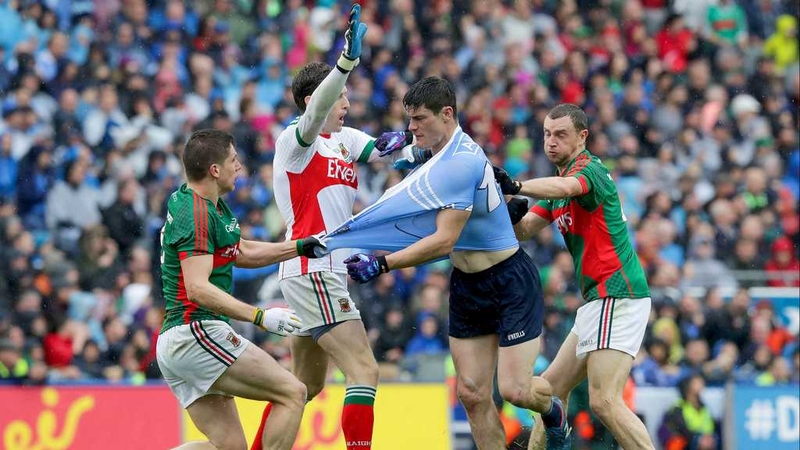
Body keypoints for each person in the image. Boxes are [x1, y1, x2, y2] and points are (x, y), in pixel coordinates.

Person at [343, 76, 570, 450]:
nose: (411, 127)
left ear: (447, 114)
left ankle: (555, 412)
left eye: (418, 120)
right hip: (467, 284)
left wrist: (383, 265)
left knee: (515, 390)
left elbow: (443, 241)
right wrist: (402, 147)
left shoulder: (462, 161)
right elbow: (423, 158)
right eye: (408, 120)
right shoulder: (440, 152)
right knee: (471, 394)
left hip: (509, 280)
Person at [259, 5, 426, 450]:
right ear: (317, 100)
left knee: (301, 388)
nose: (348, 105)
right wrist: (344, 64)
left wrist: (417, 143)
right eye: (341, 96)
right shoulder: (295, 142)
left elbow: (387, 149)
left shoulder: (345, 140)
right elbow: (316, 113)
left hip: (325, 272)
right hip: (311, 269)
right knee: (364, 371)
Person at [492, 103, 655, 450]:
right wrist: (505, 216)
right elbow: (524, 231)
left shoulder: (589, 171)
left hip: (617, 293)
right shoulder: (559, 182)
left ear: (582, 137)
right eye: (547, 134)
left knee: (604, 402)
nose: (551, 141)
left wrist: (518, 185)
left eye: (561, 134)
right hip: (598, 301)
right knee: (547, 391)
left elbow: (567, 189)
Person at [156, 129, 325, 450]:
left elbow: (242, 252)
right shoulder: (198, 214)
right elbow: (197, 289)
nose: (240, 167)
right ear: (214, 170)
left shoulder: (200, 202)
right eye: (234, 161)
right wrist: (260, 316)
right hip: (196, 332)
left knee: (227, 447)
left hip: (180, 339)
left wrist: (299, 247)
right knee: (293, 392)